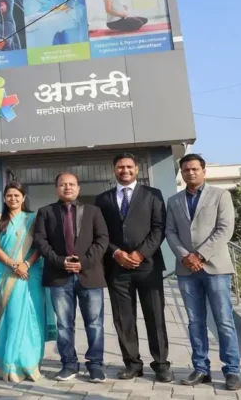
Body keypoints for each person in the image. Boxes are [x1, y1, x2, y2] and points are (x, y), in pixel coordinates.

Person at [94, 153, 173, 383]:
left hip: (147, 266)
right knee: (123, 319)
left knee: (155, 316)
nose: (125, 170)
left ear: (137, 169)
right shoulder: (103, 199)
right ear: (114, 171)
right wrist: (116, 252)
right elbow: (100, 233)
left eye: (129, 166)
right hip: (117, 268)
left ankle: (161, 364)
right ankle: (132, 363)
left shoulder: (153, 195)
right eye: (120, 167)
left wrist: (140, 253)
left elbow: (159, 228)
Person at [166, 153, 241, 391]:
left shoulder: (221, 195)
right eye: (186, 169)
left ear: (203, 171)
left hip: (215, 268)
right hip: (187, 270)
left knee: (224, 320)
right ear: (182, 172)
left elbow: (225, 229)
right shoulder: (174, 200)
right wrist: (185, 256)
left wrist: (199, 255)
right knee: (194, 321)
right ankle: (201, 368)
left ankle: (232, 370)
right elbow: (170, 232)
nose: (191, 172)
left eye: (195, 169)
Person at [34, 172, 109, 383]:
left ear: (78, 188)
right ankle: (68, 363)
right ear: (56, 188)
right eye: (63, 184)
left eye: (72, 184)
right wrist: (60, 261)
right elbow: (41, 241)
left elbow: (102, 240)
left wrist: (83, 262)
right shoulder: (46, 212)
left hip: (89, 275)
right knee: (64, 325)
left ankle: (95, 364)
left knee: (95, 323)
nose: (67, 188)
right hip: (59, 277)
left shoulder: (93, 211)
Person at [0, 181, 56, 383]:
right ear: (4, 198)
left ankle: (30, 362)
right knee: (13, 317)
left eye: (17, 195)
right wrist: (13, 264)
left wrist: (25, 264)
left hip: (30, 274)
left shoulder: (33, 218)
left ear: (23, 198)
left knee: (32, 317)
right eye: (9, 195)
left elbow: (39, 245)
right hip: (5, 274)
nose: (13, 198)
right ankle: (10, 365)